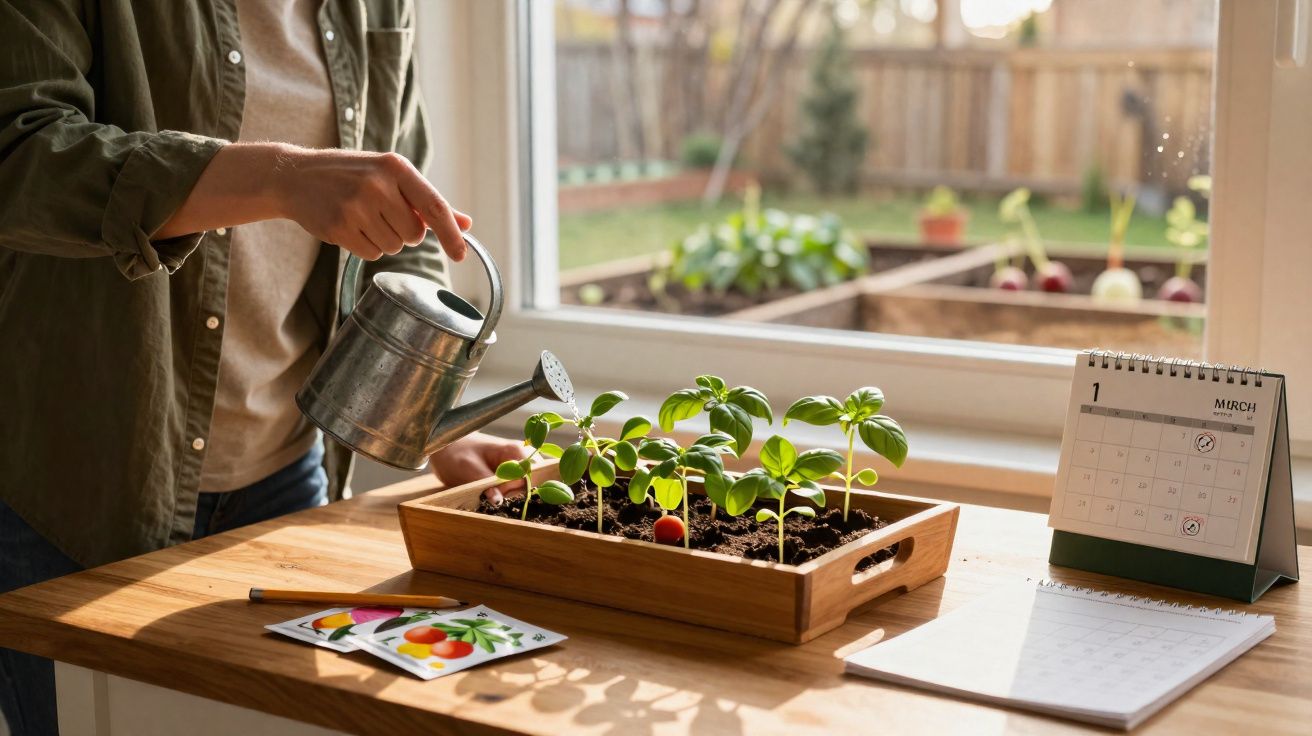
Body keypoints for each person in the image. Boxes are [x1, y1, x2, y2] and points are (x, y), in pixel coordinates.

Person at [0, 1, 527, 733]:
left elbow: (401, 230)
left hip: (286, 480)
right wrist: (281, 176)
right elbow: (20, 154)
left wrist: (423, 411)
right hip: (83, 486)